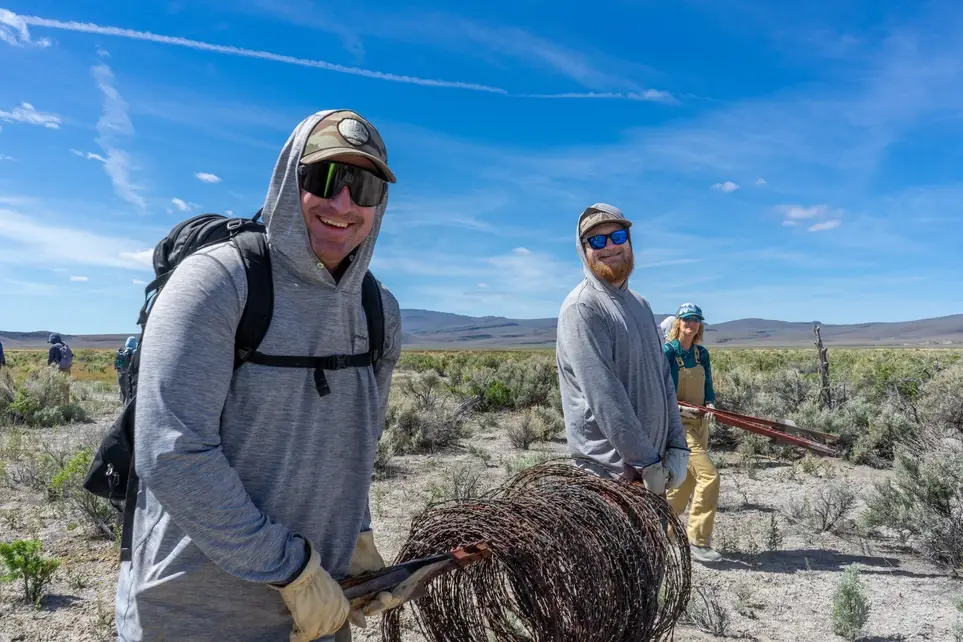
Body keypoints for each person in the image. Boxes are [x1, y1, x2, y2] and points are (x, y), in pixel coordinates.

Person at [115, 109, 404, 642]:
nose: (344, 204)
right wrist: (292, 572)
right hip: (193, 614)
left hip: (317, 610)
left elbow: (354, 443)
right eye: (325, 179)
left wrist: (356, 537)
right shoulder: (217, 284)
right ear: (288, 179)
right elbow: (173, 453)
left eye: (362, 185)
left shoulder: (378, 310)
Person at [556, 203, 690, 496]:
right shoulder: (583, 307)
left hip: (651, 469)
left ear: (629, 242)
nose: (610, 247)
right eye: (597, 241)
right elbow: (605, 396)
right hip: (608, 475)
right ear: (583, 250)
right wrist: (647, 462)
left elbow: (663, 379)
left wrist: (677, 446)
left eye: (617, 237)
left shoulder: (641, 306)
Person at [663, 303, 722, 564]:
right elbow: (658, 389)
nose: (692, 323)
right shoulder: (667, 352)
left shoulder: (701, 354)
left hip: (700, 423)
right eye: (687, 319)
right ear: (678, 322)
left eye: (696, 319)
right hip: (678, 425)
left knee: (685, 481)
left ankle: (663, 532)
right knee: (709, 476)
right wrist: (674, 407)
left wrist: (710, 403)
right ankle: (698, 541)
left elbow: (707, 381)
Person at [114, 336, 137, 404]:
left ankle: (122, 406)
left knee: (123, 391)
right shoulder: (134, 351)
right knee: (130, 393)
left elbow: (117, 364)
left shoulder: (121, 352)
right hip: (130, 375)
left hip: (121, 374)